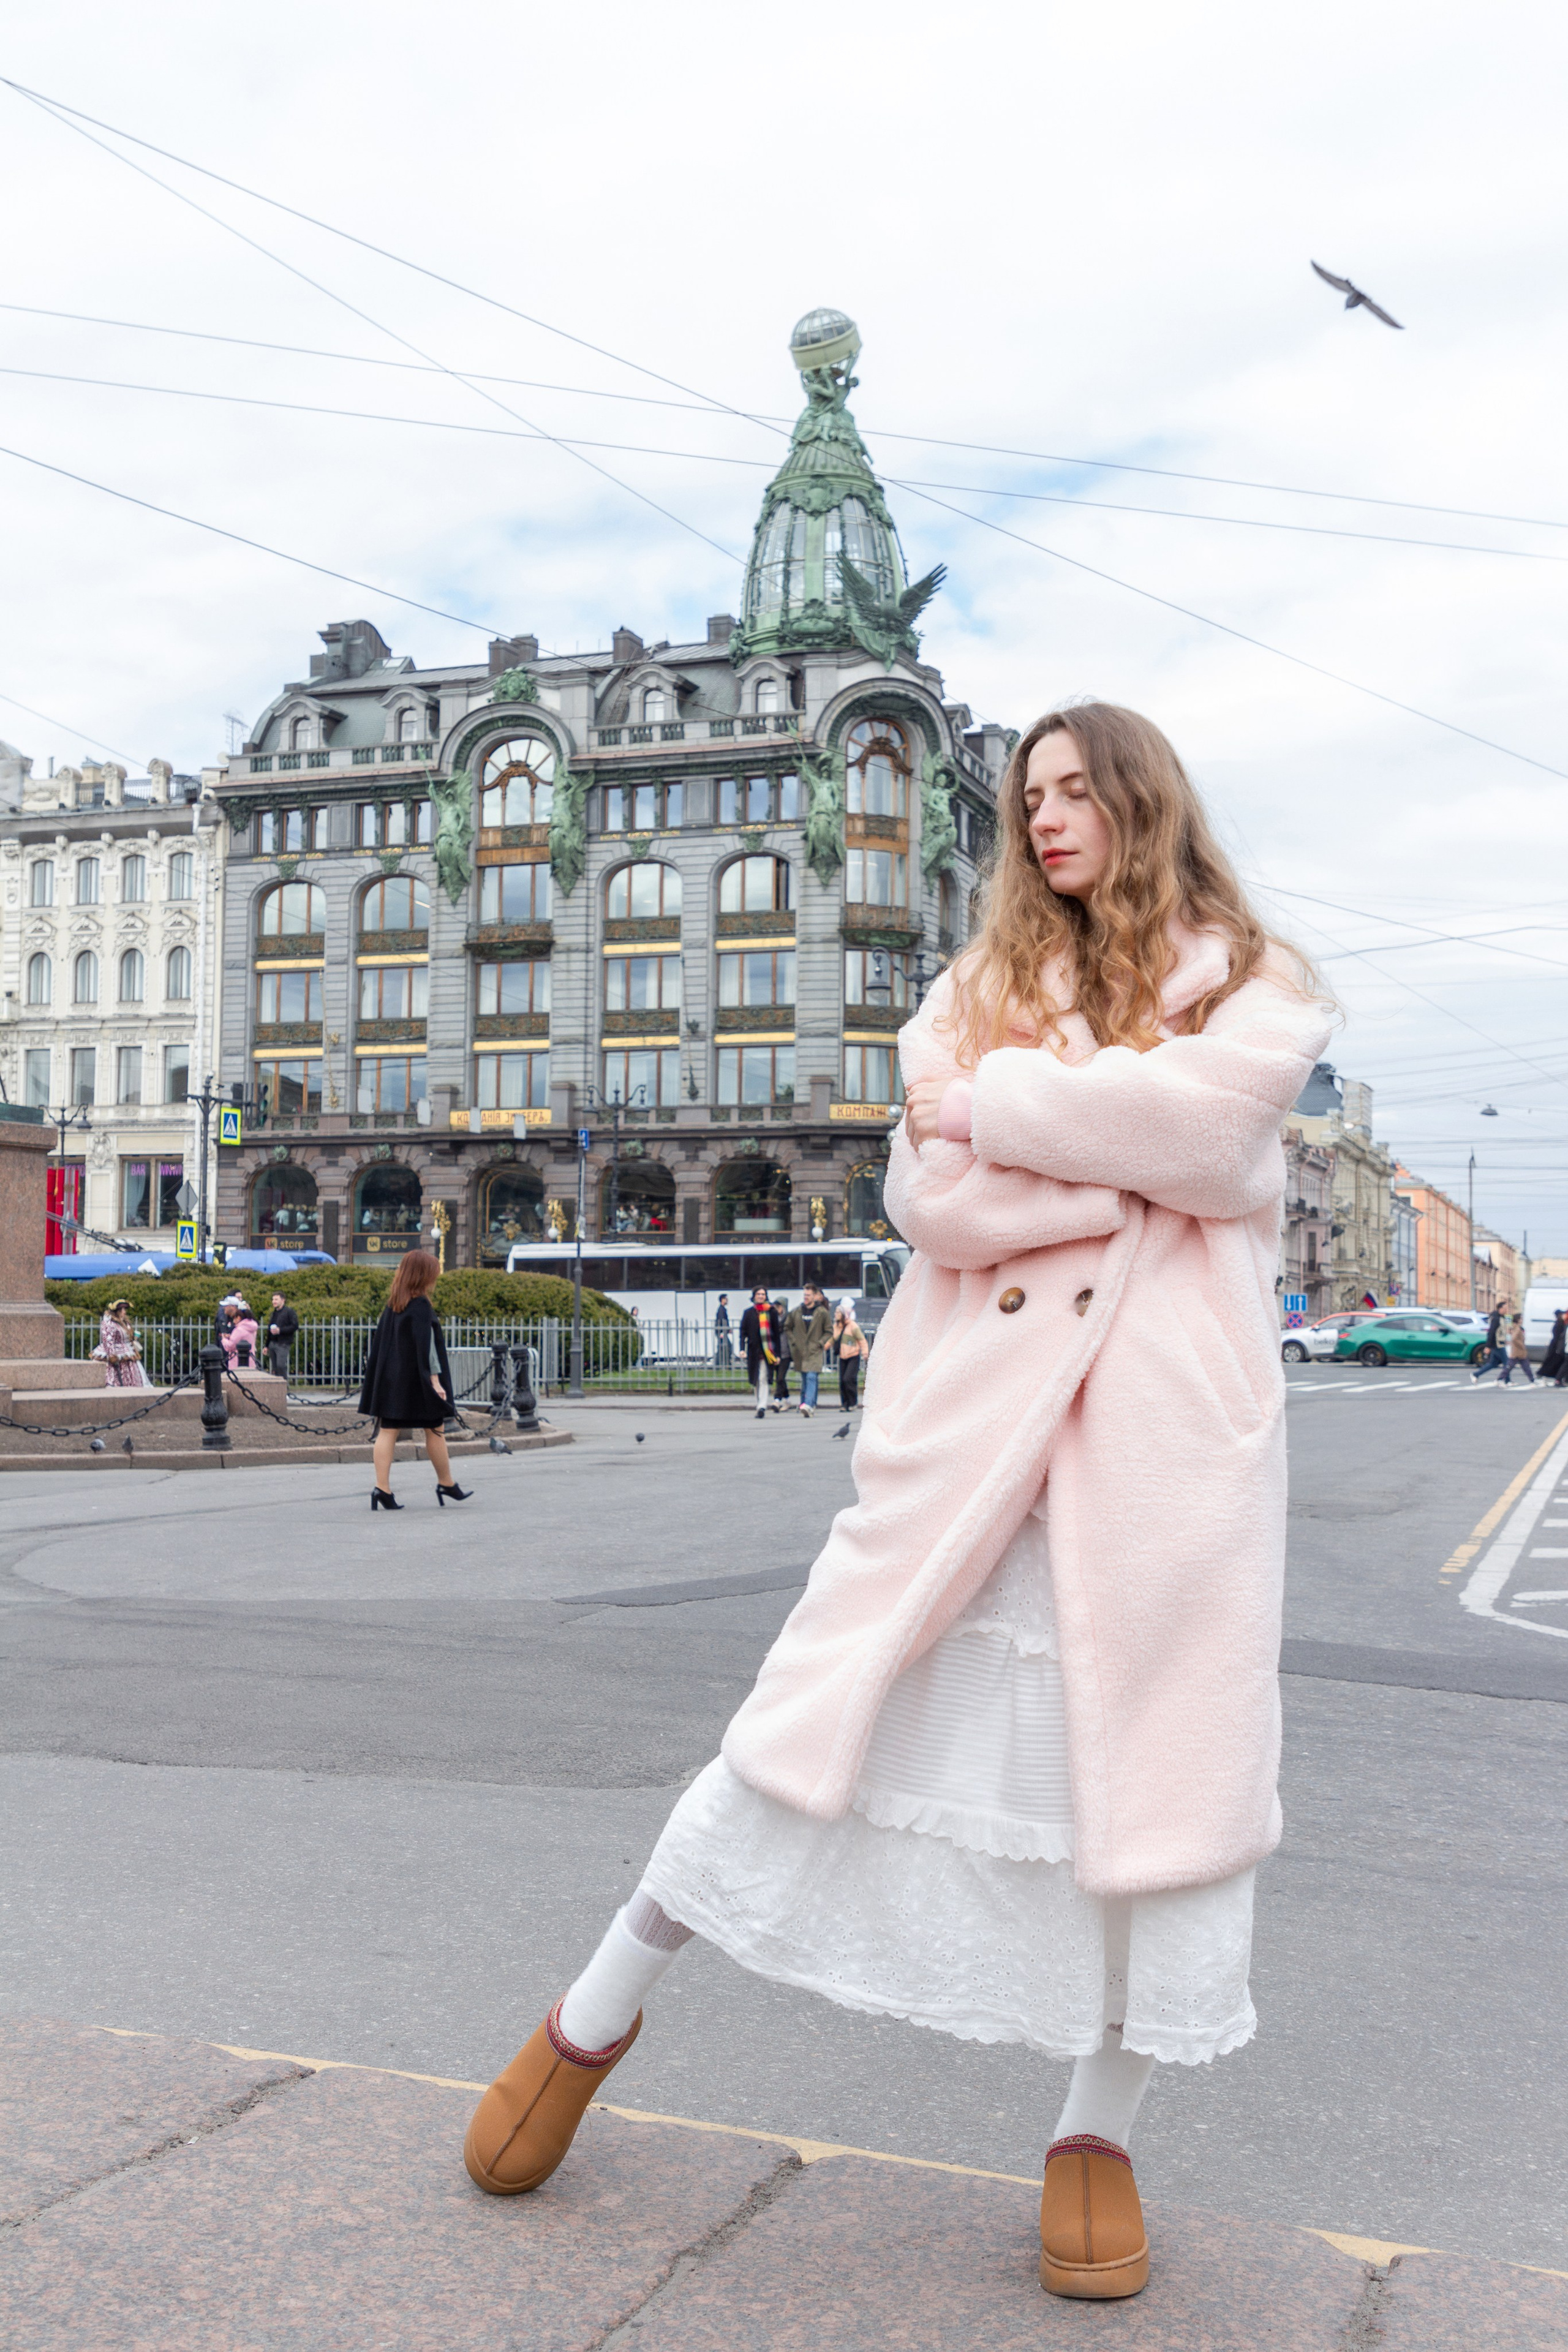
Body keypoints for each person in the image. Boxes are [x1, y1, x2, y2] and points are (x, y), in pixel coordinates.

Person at [461, 701, 1333, 2305]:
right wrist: (1119, 1151)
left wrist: (1007, 1117)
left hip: (1160, 1442)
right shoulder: (974, 983)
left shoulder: (1251, 977)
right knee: (804, 1721)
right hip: (968, 1426)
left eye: (1073, 791)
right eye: (1028, 797)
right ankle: (590, 2015)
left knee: (1152, 1787)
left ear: (1140, 801)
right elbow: (931, 1197)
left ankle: (1096, 2134)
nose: (1044, 818)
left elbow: (1212, 1137)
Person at [357, 1249, 472, 1510]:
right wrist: (435, 1382)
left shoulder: (394, 1305)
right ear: (423, 1276)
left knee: (388, 1430)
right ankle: (446, 1483)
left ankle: (382, 1489)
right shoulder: (420, 1305)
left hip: (393, 1380)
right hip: (417, 1382)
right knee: (435, 1428)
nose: (435, 1278)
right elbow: (427, 1348)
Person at [785, 1283, 832, 1418]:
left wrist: (820, 1343)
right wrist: (794, 1341)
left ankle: (808, 1405)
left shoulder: (822, 1312)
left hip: (814, 1350)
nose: (806, 1297)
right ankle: (805, 1404)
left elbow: (829, 1331)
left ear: (815, 1296)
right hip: (800, 1351)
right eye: (805, 1295)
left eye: (809, 1295)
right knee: (805, 1379)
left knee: (812, 1376)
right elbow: (787, 1327)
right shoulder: (797, 1311)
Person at [737, 1285, 783, 1419]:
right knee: (756, 1379)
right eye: (759, 1294)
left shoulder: (771, 1312)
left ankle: (762, 1406)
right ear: (754, 1296)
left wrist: (778, 1354)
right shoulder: (748, 1313)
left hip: (767, 1351)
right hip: (753, 1351)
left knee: (764, 1377)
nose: (761, 1296)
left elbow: (776, 1334)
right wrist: (742, 1349)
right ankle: (759, 1403)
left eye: (763, 1294)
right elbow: (743, 1333)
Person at [94, 1298, 148, 1389]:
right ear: (117, 1311)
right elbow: (108, 1339)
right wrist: (112, 1355)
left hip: (127, 1351)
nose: (124, 1312)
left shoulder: (124, 1323)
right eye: (122, 1310)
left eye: (125, 1309)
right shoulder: (109, 1323)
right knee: (113, 1377)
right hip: (115, 1352)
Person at [834, 1297, 868, 1411]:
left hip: (853, 1355)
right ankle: (845, 1404)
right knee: (842, 1381)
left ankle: (853, 1402)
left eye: (838, 1313)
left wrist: (865, 1352)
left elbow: (862, 1340)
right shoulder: (837, 1326)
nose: (836, 1314)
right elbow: (834, 1338)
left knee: (848, 1378)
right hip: (843, 1356)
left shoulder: (853, 1326)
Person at [1471, 1300, 1508, 1382]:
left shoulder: (1502, 1318)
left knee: (1493, 1364)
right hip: (1497, 1345)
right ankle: (1506, 1381)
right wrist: (1488, 1346)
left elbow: (1501, 1332)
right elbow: (1491, 1333)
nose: (1506, 1310)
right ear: (1500, 1309)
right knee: (1507, 1363)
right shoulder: (1496, 1319)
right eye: (1505, 1308)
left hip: (1499, 1344)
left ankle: (1476, 1374)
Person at [266, 1292, 298, 1381]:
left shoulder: (289, 1312)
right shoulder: (274, 1313)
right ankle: (278, 1387)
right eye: (273, 1299)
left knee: (281, 1366)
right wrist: (267, 1346)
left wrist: (280, 1330)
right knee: (275, 1368)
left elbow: (295, 1326)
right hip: (273, 1344)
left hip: (283, 1343)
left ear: (283, 1300)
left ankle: (285, 1386)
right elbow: (269, 1330)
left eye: (276, 1299)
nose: (274, 1301)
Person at [220, 1298, 259, 1370]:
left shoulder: (239, 1330)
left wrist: (224, 1339)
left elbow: (230, 1346)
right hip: (251, 1360)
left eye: (234, 1318)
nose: (234, 1321)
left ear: (238, 1318)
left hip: (237, 1362)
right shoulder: (252, 1328)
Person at [1500, 1313, 1536, 1386]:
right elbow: (1514, 1339)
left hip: (1518, 1351)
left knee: (1525, 1366)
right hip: (1518, 1351)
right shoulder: (1517, 1328)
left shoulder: (1515, 1327)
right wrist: (1521, 1345)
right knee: (1511, 1366)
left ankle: (1532, 1380)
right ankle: (1500, 1379)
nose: (1522, 1320)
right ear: (1518, 1320)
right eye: (1521, 1319)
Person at [1540, 1308, 1568, 1387]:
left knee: (1564, 1365)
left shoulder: (1562, 1324)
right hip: (1558, 1348)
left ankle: (1562, 1379)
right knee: (1563, 1365)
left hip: (1560, 1348)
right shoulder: (1560, 1324)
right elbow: (1560, 1338)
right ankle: (1558, 1380)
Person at [712, 1294, 733, 1370]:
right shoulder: (721, 1310)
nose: (727, 1301)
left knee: (722, 1347)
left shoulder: (722, 1309)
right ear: (722, 1300)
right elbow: (722, 1321)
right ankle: (724, 1364)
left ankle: (720, 1364)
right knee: (726, 1347)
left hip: (722, 1332)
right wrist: (723, 1331)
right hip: (721, 1332)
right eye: (726, 1299)